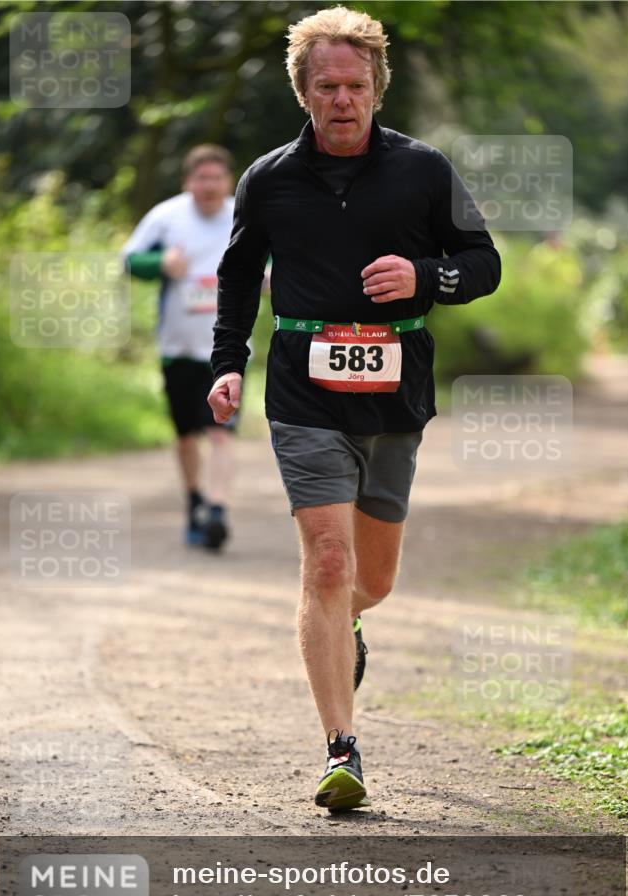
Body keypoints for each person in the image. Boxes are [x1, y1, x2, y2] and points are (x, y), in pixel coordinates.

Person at [208, 6, 501, 810]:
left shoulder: (423, 171)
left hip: (395, 394)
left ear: (376, 87)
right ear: (302, 92)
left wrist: (424, 276)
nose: (342, 99)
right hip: (302, 393)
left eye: (355, 85)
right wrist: (227, 364)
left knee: (371, 579)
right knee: (328, 564)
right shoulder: (268, 179)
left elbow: (483, 263)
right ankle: (342, 749)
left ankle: (346, 624)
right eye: (327, 86)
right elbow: (238, 278)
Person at [122, 144, 236, 550]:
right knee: (187, 435)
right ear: (188, 182)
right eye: (202, 178)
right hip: (178, 346)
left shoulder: (244, 214)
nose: (210, 185)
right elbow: (129, 260)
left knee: (220, 432)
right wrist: (160, 264)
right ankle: (194, 501)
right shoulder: (166, 216)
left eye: (217, 178)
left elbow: (275, 257)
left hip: (228, 349)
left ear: (229, 181)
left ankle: (217, 511)